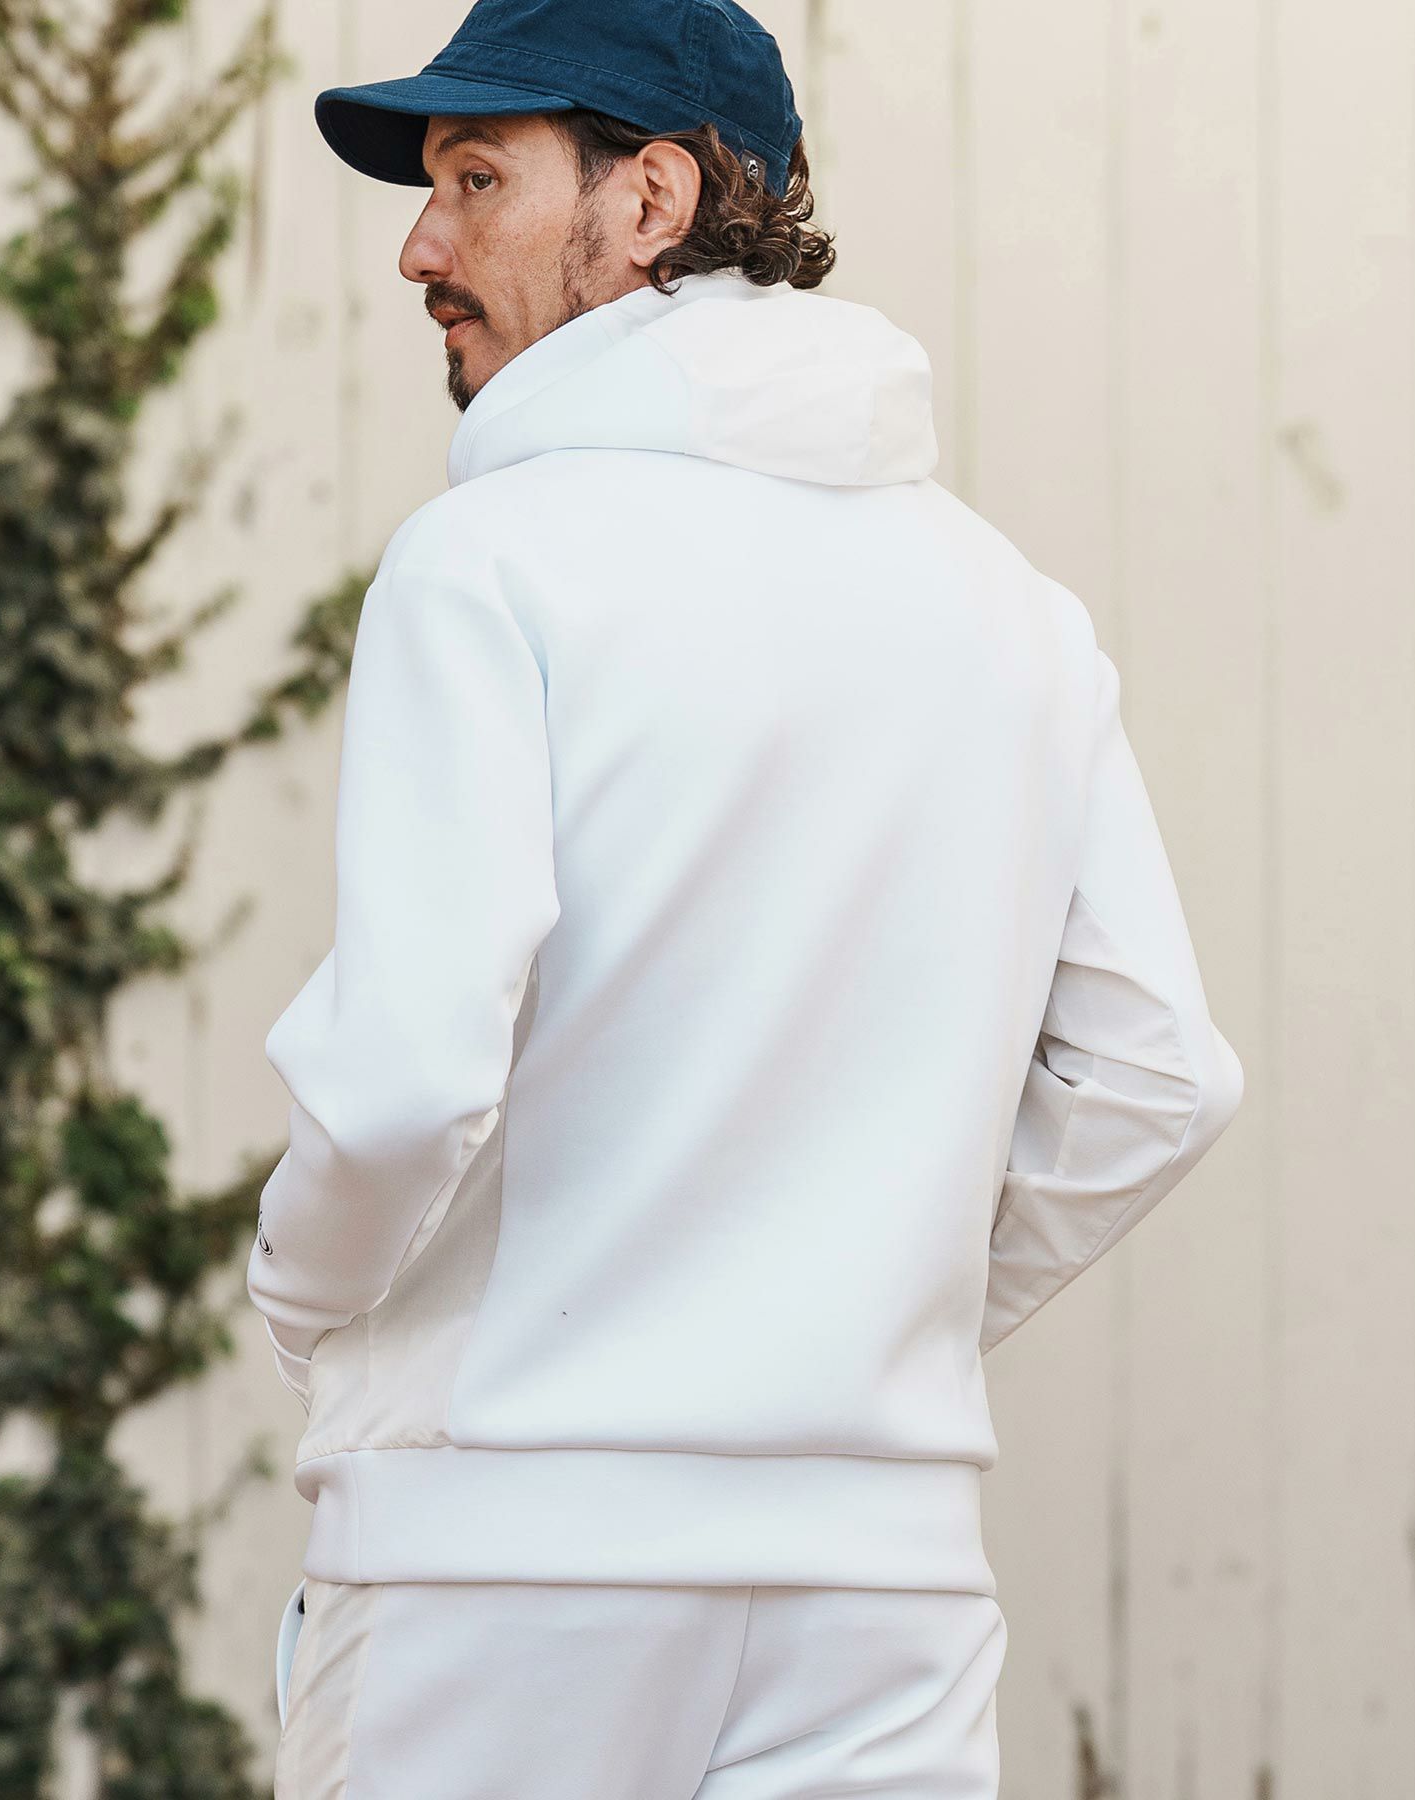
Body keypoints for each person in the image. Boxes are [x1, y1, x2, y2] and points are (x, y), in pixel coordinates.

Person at [248, 0, 1246, 1794]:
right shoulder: (1009, 609)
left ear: (648, 200)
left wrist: (306, 1309)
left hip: (505, 1579)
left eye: (476, 179)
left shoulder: (487, 566)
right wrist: (845, 1325)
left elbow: (404, 1079)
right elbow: (1155, 1078)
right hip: (881, 1599)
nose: (420, 247)